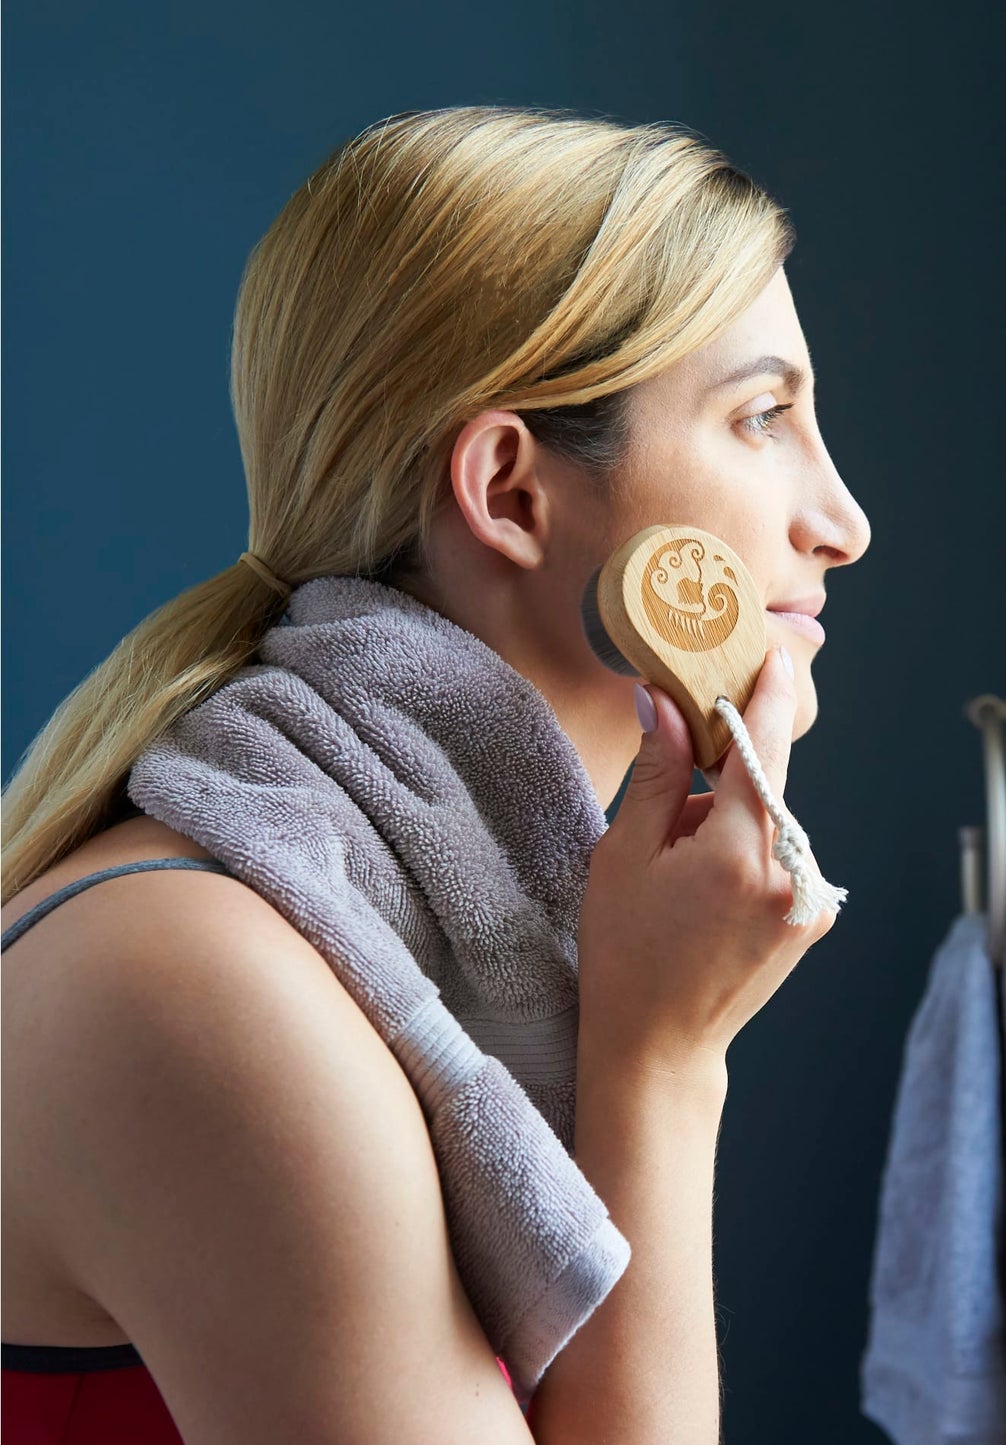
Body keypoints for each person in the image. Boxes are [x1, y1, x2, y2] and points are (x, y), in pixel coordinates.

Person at [1, 104, 871, 1443]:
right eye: (763, 417)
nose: (842, 522)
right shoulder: (202, 986)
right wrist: (661, 1067)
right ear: (511, 491)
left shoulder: (425, 929)